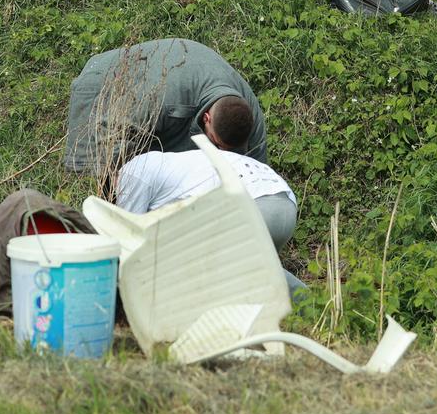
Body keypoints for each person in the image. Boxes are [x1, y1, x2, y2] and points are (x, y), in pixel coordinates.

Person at [63, 38, 266, 173]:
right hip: (110, 81)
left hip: (176, 91)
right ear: (207, 118)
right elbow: (110, 137)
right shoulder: (158, 98)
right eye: (216, 143)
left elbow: (256, 172)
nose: (220, 151)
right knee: (109, 171)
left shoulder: (251, 116)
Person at [114, 147, 298, 253]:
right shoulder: (175, 163)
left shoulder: (131, 172)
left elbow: (130, 239)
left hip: (253, 204)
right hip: (285, 202)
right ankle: (308, 304)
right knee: (260, 271)